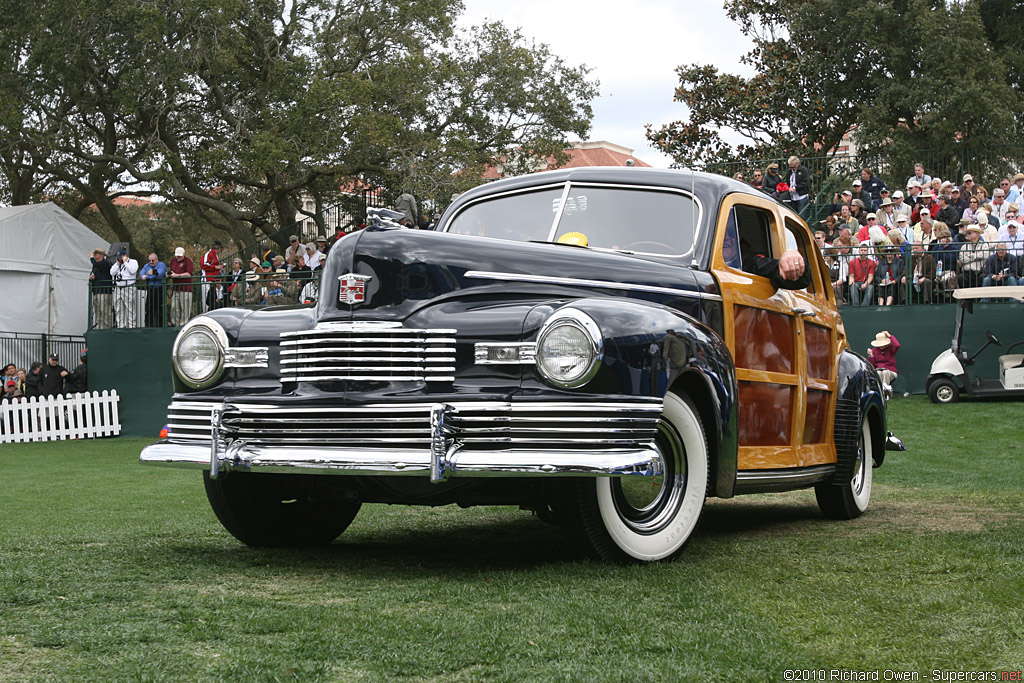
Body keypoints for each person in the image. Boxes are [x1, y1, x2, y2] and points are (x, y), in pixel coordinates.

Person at [110, 250, 140, 328]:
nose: (120, 259)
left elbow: (133, 271)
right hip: (118, 288)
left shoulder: (133, 262)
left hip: (128, 287)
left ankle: (132, 326)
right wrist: (117, 264)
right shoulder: (118, 264)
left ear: (125, 256)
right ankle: (121, 326)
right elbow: (112, 272)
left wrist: (126, 262)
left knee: (130, 308)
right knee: (118, 308)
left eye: (121, 257)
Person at [867, 331, 900, 399]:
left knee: (885, 372)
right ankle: (880, 392)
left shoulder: (891, 349)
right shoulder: (874, 351)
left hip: (890, 371)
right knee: (878, 372)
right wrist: (871, 356)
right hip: (878, 370)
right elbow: (871, 366)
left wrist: (888, 335)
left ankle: (886, 392)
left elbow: (897, 345)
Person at [167, 247, 195, 326]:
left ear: (183, 254)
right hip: (176, 288)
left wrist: (177, 275)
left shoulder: (188, 261)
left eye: (179, 256)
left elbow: (189, 274)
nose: (178, 257)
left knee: (185, 308)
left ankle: (183, 325)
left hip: (186, 289)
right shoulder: (173, 261)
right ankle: (175, 324)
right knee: (174, 307)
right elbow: (171, 270)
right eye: (177, 256)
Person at [138, 253, 167, 327]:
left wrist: (148, 276)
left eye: (153, 260)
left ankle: (161, 325)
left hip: (159, 289)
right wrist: (151, 275)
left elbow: (159, 275)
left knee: (159, 307)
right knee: (149, 308)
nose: (151, 262)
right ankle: (148, 325)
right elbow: (141, 275)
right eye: (149, 260)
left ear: (156, 260)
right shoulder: (146, 266)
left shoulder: (161, 265)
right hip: (150, 289)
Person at [89, 247, 114, 329]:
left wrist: (91, 258)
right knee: (98, 312)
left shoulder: (105, 263)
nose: (94, 255)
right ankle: (101, 328)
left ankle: (107, 328)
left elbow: (96, 264)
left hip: (104, 292)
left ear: (101, 255)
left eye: (95, 253)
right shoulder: (96, 266)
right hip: (96, 291)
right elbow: (93, 273)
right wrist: (91, 277)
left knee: (105, 311)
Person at [200, 240, 222, 312]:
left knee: (213, 299)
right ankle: (205, 313)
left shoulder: (216, 255)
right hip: (207, 279)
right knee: (206, 298)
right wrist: (215, 267)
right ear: (218, 248)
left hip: (213, 279)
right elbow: (204, 265)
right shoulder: (209, 254)